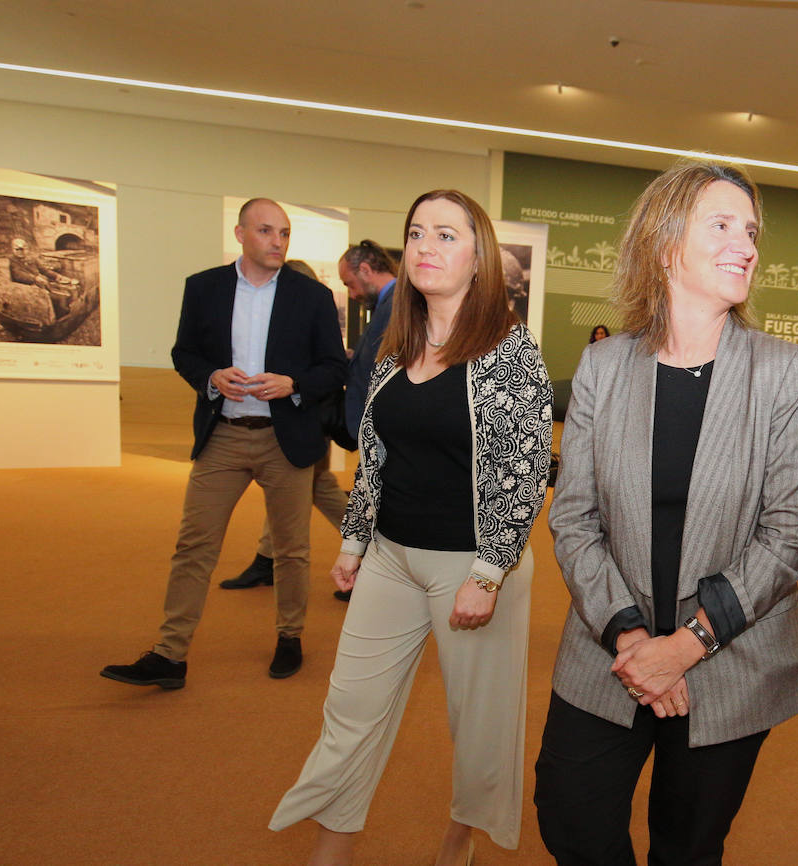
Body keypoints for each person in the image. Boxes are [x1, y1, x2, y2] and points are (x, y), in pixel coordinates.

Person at [535, 160, 798, 866]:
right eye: (721, 225)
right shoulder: (606, 366)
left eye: (750, 230)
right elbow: (573, 519)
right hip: (609, 647)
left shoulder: (784, 371)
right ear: (666, 246)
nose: (746, 245)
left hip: (730, 656)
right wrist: (635, 641)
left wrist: (684, 646)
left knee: (687, 844)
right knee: (569, 817)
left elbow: (787, 538)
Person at [270, 190, 552, 866]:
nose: (427, 245)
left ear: (479, 256)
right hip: (392, 558)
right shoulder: (398, 348)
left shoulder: (510, 354)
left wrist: (489, 574)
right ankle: (331, 846)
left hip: (475, 567)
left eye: (447, 235)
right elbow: (376, 455)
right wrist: (355, 538)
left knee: (478, 728)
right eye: (417, 232)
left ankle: (462, 833)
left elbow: (524, 471)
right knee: (351, 709)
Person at [101, 198, 347, 687]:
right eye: (266, 231)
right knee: (194, 545)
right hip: (224, 438)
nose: (277, 242)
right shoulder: (204, 287)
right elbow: (183, 352)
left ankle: (289, 637)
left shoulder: (311, 296)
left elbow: (334, 367)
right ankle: (170, 656)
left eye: (284, 233)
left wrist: (293, 383)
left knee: (292, 550)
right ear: (240, 234)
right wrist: (211, 377)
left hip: (285, 441)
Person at [222, 241, 398, 602]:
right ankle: (267, 558)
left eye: (350, 283)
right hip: (311, 416)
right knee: (309, 486)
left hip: (313, 416)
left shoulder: (392, 304)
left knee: (304, 485)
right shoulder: (385, 304)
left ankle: (370, 559)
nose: (349, 292)